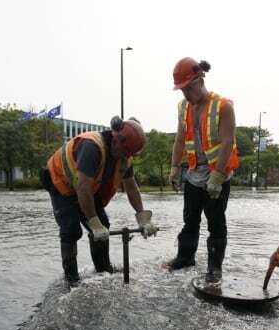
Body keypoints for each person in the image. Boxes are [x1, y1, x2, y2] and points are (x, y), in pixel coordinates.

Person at [42, 117, 158, 287]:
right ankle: (71, 279)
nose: (125, 156)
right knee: (71, 229)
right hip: (61, 184)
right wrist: (93, 223)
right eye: (124, 151)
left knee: (104, 223)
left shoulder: (125, 157)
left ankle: (103, 270)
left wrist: (143, 217)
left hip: (86, 187)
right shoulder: (92, 147)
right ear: (115, 138)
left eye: (129, 154)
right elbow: (82, 188)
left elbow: (131, 187)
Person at [166, 57, 238, 283]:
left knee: (216, 223)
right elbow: (179, 140)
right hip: (194, 174)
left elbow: (227, 142)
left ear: (200, 79)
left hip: (218, 174)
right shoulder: (183, 107)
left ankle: (214, 269)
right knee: (190, 220)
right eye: (182, 90)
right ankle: (185, 258)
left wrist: (217, 177)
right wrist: (175, 167)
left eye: (188, 88)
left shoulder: (223, 106)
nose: (185, 94)